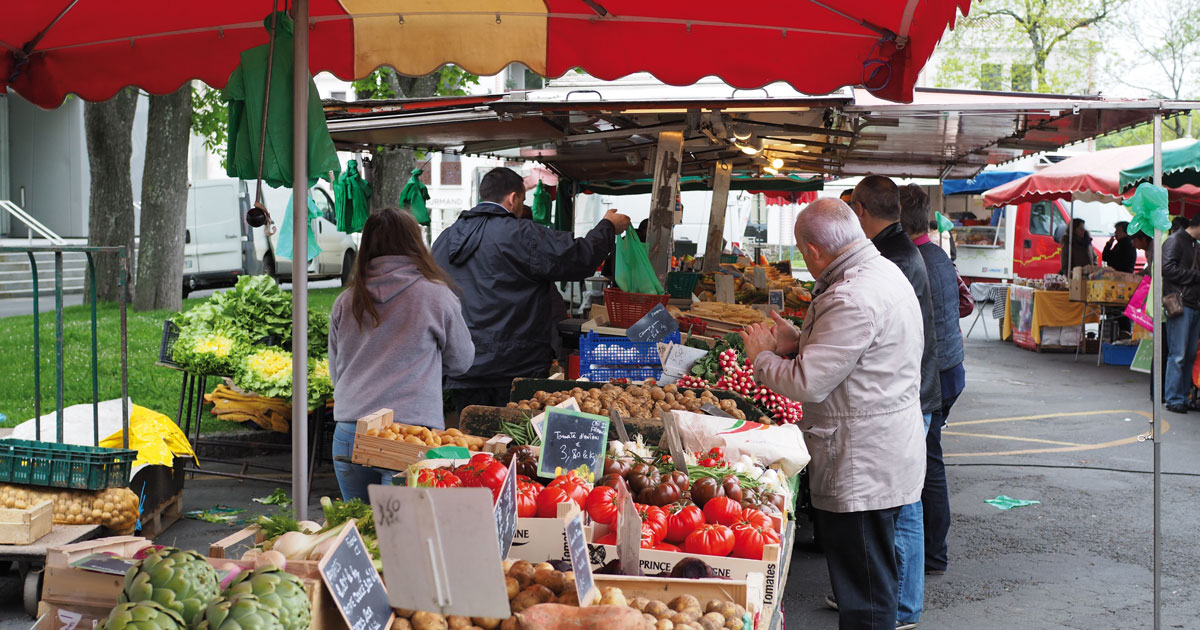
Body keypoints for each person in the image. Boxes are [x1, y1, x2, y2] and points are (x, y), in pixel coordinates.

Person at [740, 198, 925, 630]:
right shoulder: (880, 273)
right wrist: (803, 339)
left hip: (862, 458)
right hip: (882, 444)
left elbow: (809, 383)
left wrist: (763, 357)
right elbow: (855, 355)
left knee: (864, 590)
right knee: (874, 579)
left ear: (814, 252)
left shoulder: (851, 295)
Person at [433, 167, 631, 414]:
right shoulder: (520, 234)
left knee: (472, 436)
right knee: (514, 442)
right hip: (515, 365)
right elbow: (577, 258)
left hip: (463, 365)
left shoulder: (445, 239)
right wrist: (607, 226)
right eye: (523, 200)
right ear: (513, 198)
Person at [328, 208, 475, 501]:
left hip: (349, 430)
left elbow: (336, 371)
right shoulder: (436, 295)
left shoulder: (347, 301)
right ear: (415, 243)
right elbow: (462, 362)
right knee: (401, 538)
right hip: (412, 435)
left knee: (358, 532)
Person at [849, 175, 938, 630]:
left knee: (902, 504)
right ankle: (890, 598)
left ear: (861, 211)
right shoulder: (901, 249)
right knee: (901, 501)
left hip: (909, 396)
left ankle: (901, 606)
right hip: (914, 390)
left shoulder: (894, 258)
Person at [900, 185, 966, 579]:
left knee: (927, 464)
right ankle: (932, 551)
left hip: (935, 374)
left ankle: (932, 554)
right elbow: (965, 303)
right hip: (949, 368)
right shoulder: (937, 254)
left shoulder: (913, 259)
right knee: (929, 460)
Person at [1160, 215, 1200, 414]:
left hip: (1194, 305)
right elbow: (1166, 269)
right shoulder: (1175, 240)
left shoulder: (1194, 244)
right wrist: (1195, 276)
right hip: (1180, 305)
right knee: (1178, 354)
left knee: (1189, 354)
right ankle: (1174, 398)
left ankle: (1183, 397)